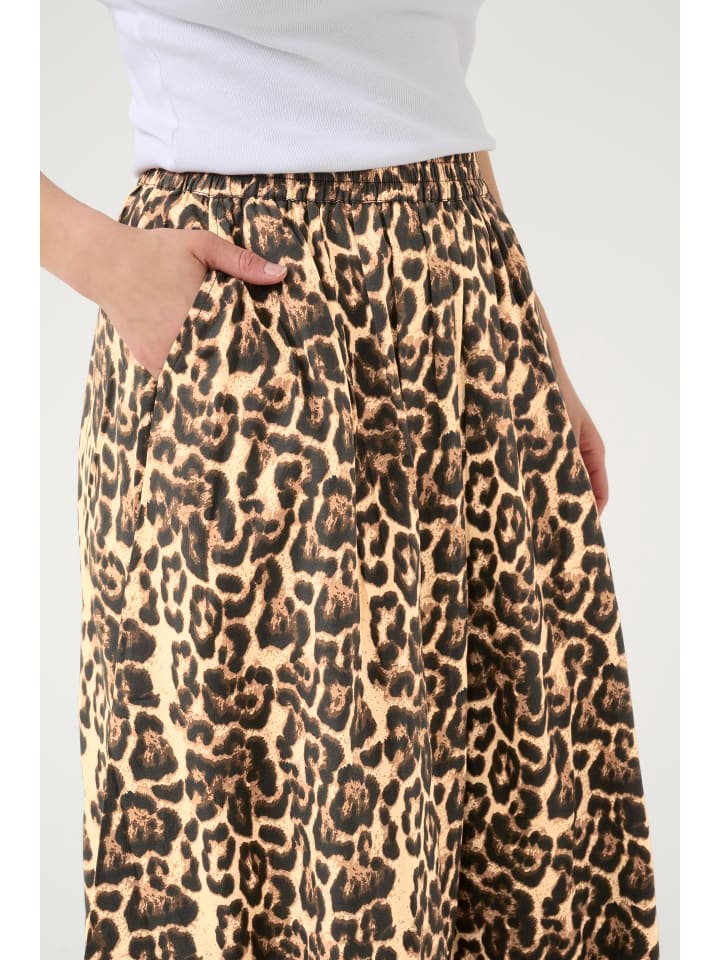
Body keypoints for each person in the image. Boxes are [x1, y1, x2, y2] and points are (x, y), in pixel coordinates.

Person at [40, 2, 660, 958]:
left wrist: (542, 355)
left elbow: (425, 88)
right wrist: (104, 260)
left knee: (510, 808)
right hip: (246, 347)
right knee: (282, 821)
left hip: (463, 326)